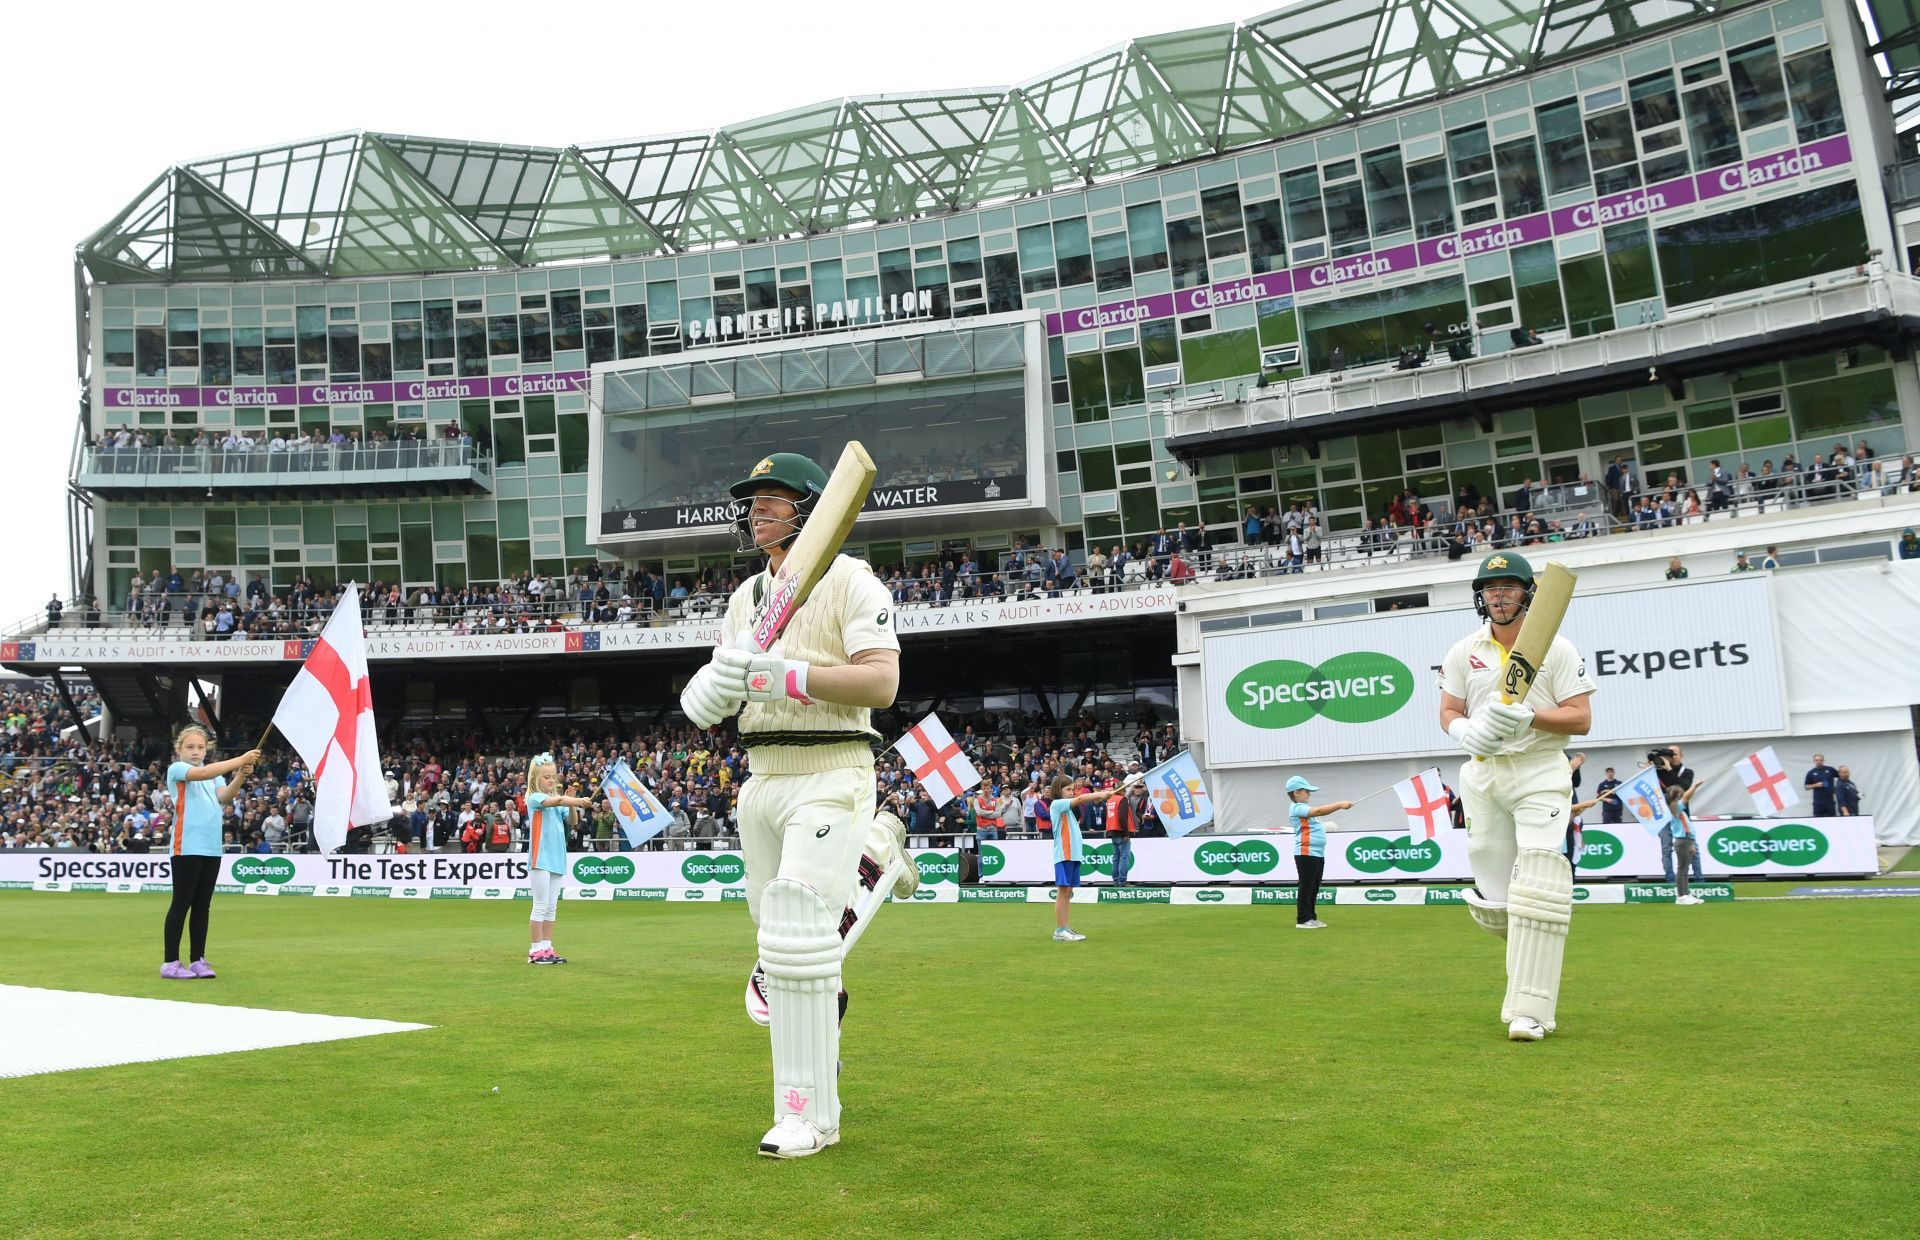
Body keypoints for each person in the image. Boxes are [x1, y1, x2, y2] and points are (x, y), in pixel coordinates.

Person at [677, 451, 917, 1160]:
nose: (758, 512)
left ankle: (808, 1114)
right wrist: (715, 690)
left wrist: (786, 673)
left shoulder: (851, 580)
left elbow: (881, 685)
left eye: (774, 500)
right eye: (753, 502)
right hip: (762, 776)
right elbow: (731, 683)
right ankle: (877, 852)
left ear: (814, 508)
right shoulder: (746, 598)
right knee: (787, 953)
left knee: (797, 939)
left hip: (832, 766)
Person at [1438, 552, 1597, 1041]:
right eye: (1491, 589)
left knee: (1539, 880)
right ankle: (1530, 961)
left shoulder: (1558, 648)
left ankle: (1530, 1012)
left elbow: (1581, 719)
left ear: (1528, 592)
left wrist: (1534, 717)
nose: (1500, 597)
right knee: (1501, 902)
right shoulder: (1464, 650)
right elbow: (1448, 709)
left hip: (1538, 771)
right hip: (1482, 774)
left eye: (1509, 587)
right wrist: (1463, 731)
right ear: (1480, 596)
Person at [160, 726, 260, 980]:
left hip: (211, 846)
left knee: (202, 906)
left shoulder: (215, 775)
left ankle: (197, 960)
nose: (196, 752)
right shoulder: (178, 769)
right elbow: (202, 772)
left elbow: (224, 797)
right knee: (182, 903)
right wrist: (241, 759)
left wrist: (240, 774)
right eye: (190, 747)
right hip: (187, 845)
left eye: (201, 747)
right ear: (179, 749)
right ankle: (170, 962)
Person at [523, 753, 602, 965]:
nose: (550, 780)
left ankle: (547, 947)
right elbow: (557, 799)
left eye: (552, 776)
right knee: (540, 905)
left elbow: (572, 821)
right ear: (535, 779)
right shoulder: (535, 798)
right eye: (546, 777)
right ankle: (535, 950)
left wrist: (572, 804)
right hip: (541, 858)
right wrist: (576, 800)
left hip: (557, 858)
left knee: (551, 906)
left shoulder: (557, 802)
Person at [1283, 775, 1350, 930]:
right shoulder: (1297, 807)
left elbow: (1315, 824)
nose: (1309, 794)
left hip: (1316, 853)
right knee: (1307, 886)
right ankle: (1303, 919)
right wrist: (1340, 804)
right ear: (1297, 792)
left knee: (1313, 887)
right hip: (1306, 853)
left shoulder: (1304, 810)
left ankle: (1311, 917)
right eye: (1307, 791)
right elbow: (1319, 810)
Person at [1047, 774, 1104, 942]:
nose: (1072, 793)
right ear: (1059, 790)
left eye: (1073, 789)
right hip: (1064, 853)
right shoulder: (1057, 805)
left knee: (1068, 892)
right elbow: (1081, 799)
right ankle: (1060, 930)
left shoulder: (1067, 810)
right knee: (1063, 891)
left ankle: (1064, 927)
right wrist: (1099, 794)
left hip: (1073, 854)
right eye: (1068, 789)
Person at [1804, 753, 1839, 818]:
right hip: (1818, 801)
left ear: (1823, 761)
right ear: (1814, 761)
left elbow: (1841, 776)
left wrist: (1837, 788)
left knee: (1832, 819)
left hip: (1829, 800)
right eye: (1817, 760)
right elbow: (1806, 787)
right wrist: (1815, 785)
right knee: (1818, 819)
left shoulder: (1830, 769)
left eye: (1820, 760)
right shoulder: (1811, 773)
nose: (1819, 762)